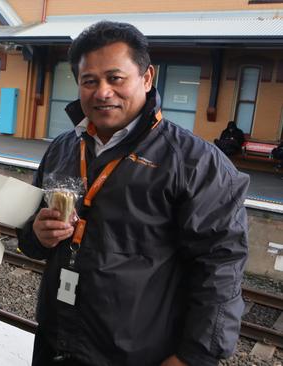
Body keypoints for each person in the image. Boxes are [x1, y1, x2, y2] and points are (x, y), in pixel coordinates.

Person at [18, 21, 249, 366]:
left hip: (135, 355)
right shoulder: (64, 148)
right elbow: (28, 232)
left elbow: (221, 266)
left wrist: (192, 356)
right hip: (55, 342)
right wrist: (37, 234)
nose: (102, 92)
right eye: (89, 81)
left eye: (115, 78)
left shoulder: (195, 162)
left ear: (146, 77)